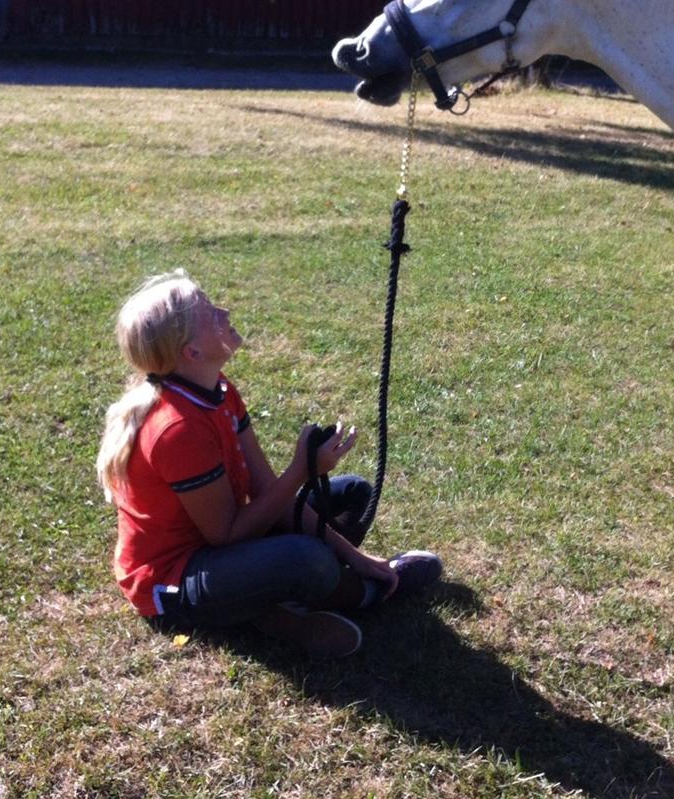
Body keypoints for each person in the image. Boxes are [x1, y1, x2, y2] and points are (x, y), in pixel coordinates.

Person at [96, 270, 442, 659]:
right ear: (191, 352)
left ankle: (272, 606)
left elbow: (264, 491)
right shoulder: (177, 429)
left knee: (353, 494)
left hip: (225, 548)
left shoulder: (219, 389)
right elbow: (226, 535)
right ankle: (366, 593)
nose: (225, 312)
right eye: (210, 313)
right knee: (308, 559)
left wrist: (355, 555)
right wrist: (301, 472)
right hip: (176, 579)